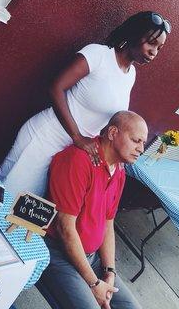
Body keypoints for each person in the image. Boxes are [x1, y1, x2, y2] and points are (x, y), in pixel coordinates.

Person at [0, 11, 171, 197]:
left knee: (25, 208)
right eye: (151, 43)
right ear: (134, 35)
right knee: (5, 194)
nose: (154, 52)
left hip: (69, 152)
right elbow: (56, 88)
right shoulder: (98, 55)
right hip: (45, 138)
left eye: (159, 48)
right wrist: (77, 136)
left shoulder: (131, 74)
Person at [40, 111, 148, 309]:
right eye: (136, 140)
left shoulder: (119, 171)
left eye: (143, 143)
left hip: (93, 259)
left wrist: (109, 272)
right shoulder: (78, 160)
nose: (141, 149)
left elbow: (108, 223)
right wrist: (94, 283)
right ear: (113, 133)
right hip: (58, 253)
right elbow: (65, 228)